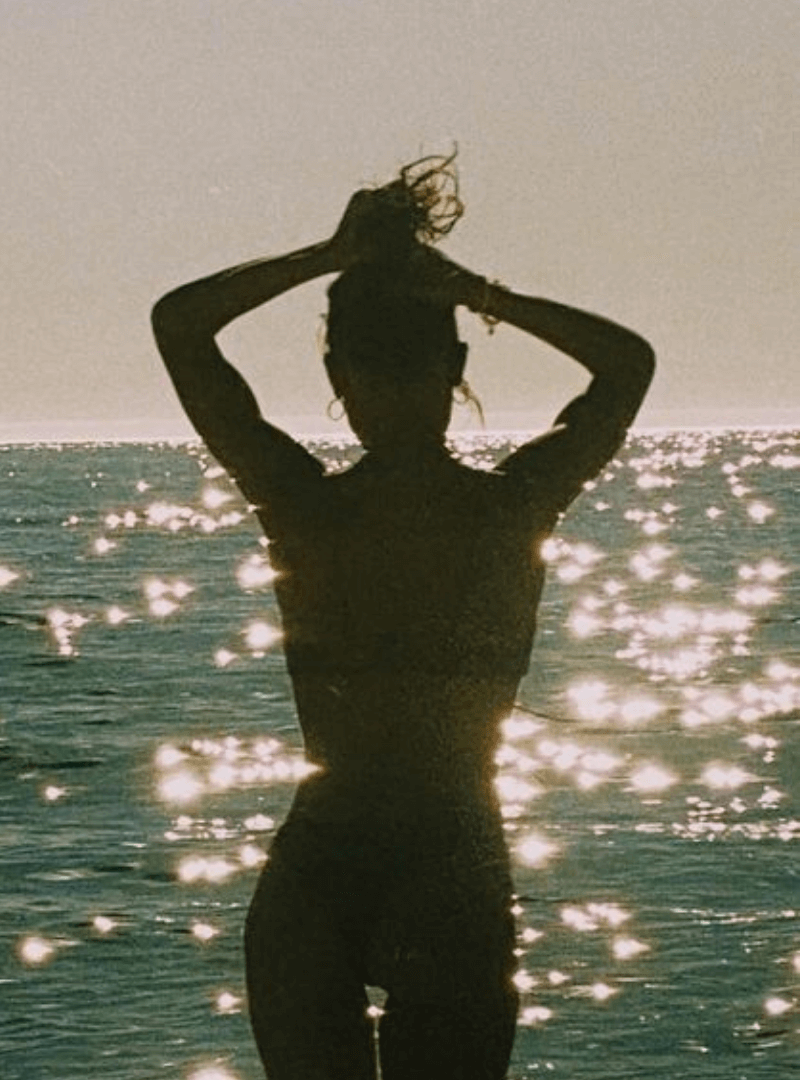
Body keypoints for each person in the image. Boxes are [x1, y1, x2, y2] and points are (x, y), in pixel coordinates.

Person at [151, 157, 654, 1080]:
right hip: (448, 860)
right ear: (453, 365)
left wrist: (331, 257)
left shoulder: (305, 505)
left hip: (334, 862)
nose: (381, 389)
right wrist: (471, 292)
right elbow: (626, 364)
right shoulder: (511, 507)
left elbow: (180, 326)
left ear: (335, 373)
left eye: (385, 368)